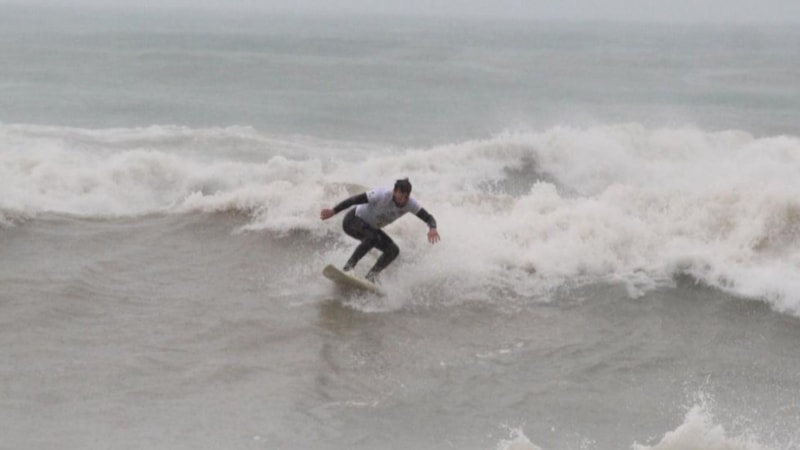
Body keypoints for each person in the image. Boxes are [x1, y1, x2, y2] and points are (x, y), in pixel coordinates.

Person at [320, 178, 440, 283]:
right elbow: (354, 200)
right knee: (371, 237)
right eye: (401, 196)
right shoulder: (381, 194)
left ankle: (371, 277)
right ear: (394, 191)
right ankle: (348, 268)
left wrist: (432, 228)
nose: (403, 200)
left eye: (406, 197)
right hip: (352, 220)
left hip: (370, 229)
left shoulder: (410, 204)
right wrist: (333, 211)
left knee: (393, 250)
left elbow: (428, 217)